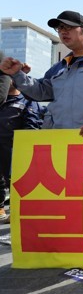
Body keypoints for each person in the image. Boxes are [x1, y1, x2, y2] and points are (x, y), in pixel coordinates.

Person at [0, 10, 83, 260]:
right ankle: (67, 234)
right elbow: (41, 92)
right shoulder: (59, 66)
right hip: (58, 137)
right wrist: (17, 75)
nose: (63, 32)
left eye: (68, 27)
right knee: (66, 191)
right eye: (59, 29)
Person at [0, 76, 43, 223]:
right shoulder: (1, 99)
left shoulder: (27, 100)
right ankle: (1, 209)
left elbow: (32, 125)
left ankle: (18, 215)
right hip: (2, 147)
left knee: (16, 182)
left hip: (15, 149)